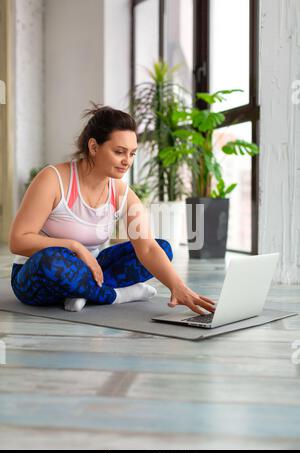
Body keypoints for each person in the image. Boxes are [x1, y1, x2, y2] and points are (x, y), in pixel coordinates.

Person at [9, 104, 216, 315]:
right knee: (51, 260)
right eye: (119, 152)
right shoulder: (53, 179)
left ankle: (83, 291)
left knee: (162, 248)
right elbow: (18, 241)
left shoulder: (122, 193)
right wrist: (75, 247)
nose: (127, 161)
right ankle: (118, 295)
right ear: (93, 147)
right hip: (38, 275)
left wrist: (178, 286)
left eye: (133, 154)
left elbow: (148, 249)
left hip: (94, 269)